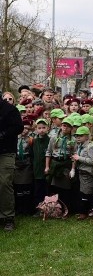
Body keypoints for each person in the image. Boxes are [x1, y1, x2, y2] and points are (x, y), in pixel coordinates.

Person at [0, 95, 22, 231]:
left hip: (6, 151)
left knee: (4, 183)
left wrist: (3, 134)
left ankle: (8, 217)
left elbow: (18, 127)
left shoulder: (9, 109)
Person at [70, 126, 93, 222]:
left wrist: (79, 158)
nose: (78, 137)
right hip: (81, 172)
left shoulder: (90, 147)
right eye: (77, 135)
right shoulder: (79, 146)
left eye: (80, 136)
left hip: (88, 173)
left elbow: (92, 161)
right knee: (83, 194)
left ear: (87, 136)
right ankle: (83, 212)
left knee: (89, 194)